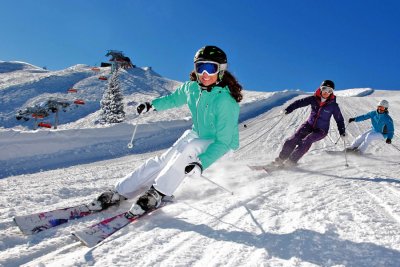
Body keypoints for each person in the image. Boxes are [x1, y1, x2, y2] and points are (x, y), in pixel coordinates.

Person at [89, 45, 243, 215]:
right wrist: (152, 105)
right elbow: (173, 99)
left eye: (210, 68)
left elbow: (223, 141)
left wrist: (202, 162)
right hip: (197, 134)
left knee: (189, 150)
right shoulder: (192, 88)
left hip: (220, 143)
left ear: (220, 70)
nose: (205, 74)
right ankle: (120, 192)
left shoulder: (226, 102)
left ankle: (159, 193)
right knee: (163, 160)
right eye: (201, 68)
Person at [274, 80, 346, 166]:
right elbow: (299, 103)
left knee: (307, 141)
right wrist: (288, 109)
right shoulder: (314, 99)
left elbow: (339, 119)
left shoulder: (333, 106)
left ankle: (290, 162)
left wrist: (342, 131)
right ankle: (280, 159)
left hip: (321, 130)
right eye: (325, 89)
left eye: (329, 90)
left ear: (332, 92)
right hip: (309, 125)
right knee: (293, 139)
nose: (326, 92)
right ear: (321, 89)